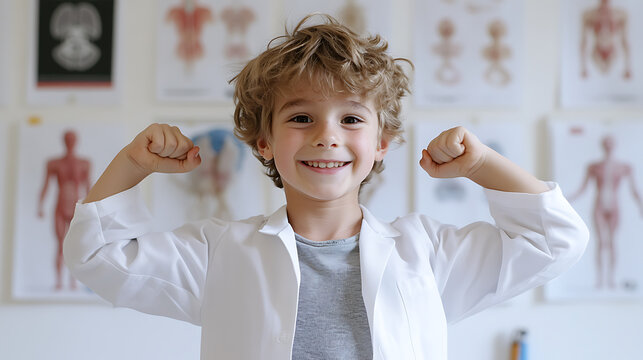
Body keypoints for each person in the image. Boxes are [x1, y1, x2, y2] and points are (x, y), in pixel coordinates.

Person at [64, 15, 588, 360]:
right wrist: (134, 163)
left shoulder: (426, 257)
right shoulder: (218, 254)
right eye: (300, 117)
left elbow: (555, 241)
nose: (326, 137)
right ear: (263, 141)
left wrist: (483, 164)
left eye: (352, 119)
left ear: (383, 142)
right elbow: (98, 256)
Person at [569, 135, 643, 289]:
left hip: (614, 207)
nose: (608, 145)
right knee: (600, 242)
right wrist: (565, 199)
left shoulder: (624, 167)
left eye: (611, 142)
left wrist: (640, 205)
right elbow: (583, 188)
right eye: (606, 143)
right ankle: (600, 279)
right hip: (599, 206)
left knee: (612, 242)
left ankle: (611, 279)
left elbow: (634, 190)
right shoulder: (594, 167)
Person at [38, 130, 91, 291]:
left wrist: (93, 208)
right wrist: (40, 205)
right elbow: (46, 184)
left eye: (72, 139)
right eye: (67, 139)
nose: (70, 142)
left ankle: (73, 281)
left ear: (76, 141)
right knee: (60, 244)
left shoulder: (84, 163)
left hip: (76, 206)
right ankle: (59, 281)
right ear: (64, 141)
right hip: (60, 205)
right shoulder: (54, 163)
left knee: (74, 245)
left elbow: (88, 186)